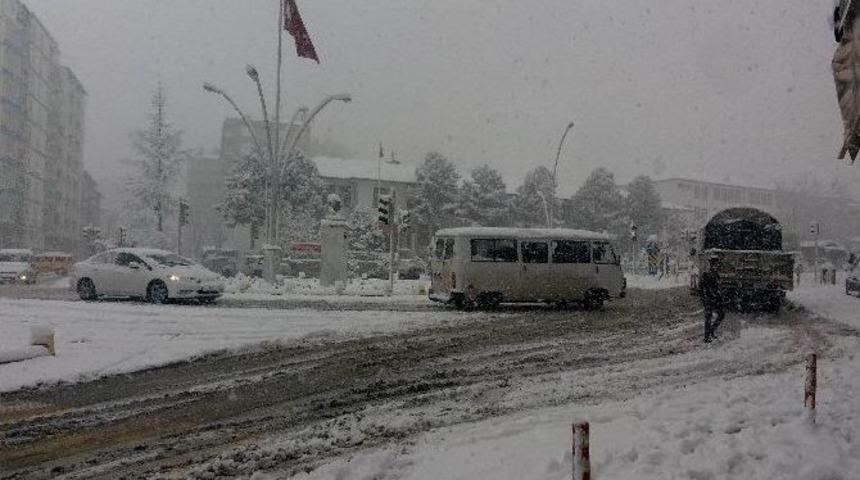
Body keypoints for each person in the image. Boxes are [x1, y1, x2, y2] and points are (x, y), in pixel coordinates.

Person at [699, 256, 725, 343]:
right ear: (712, 265)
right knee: (708, 318)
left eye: (717, 264)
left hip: (716, 300)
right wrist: (703, 298)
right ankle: (706, 337)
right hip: (708, 300)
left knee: (721, 315)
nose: (717, 266)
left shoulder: (717, 275)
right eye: (715, 264)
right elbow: (701, 288)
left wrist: (720, 296)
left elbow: (718, 288)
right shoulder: (706, 274)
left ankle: (712, 330)